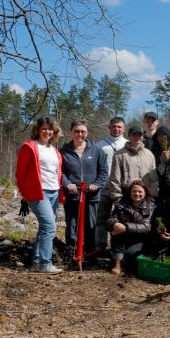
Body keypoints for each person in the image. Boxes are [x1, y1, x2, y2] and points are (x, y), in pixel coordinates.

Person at [16, 116, 64, 274]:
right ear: (37, 130)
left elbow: (57, 172)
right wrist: (24, 193)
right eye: (44, 128)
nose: (47, 132)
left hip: (54, 192)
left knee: (44, 227)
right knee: (50, 227)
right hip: (38, 192)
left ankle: (36, 260)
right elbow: (20, 173)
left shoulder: (54, 150)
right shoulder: (29, 147)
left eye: (50, 129)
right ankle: (45, 264)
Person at [60, 120, 109, 260]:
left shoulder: (96, 150)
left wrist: (97, 184)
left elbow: (104, 171)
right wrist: (68, 183)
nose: (79, 134)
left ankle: (89, 255)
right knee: (72, 226)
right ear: (71, 132)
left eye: (83, 131)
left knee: (90, 226)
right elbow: (60, 172)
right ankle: (71, 253)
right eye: (76, 131)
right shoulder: (64, 151)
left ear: (87, 133)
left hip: (91, 195)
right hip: (73, 195)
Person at [107, 180, 156, 275]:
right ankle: (117, 265)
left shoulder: (150, 206)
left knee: (130, 255)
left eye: (140, 191)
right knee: (117, 233)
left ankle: (127, 262)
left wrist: (125, 226)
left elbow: (146, 227)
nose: (137, 194)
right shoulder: (121, 203)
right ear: (129, 193)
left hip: (141, 239)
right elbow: (110, 219)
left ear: (145, 193)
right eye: (134, 191)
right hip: (124, 236)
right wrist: (114, 224)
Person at [95, 117, 126, 254]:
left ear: (123, 129)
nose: (116, 129)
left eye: (119, 127)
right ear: (109, 128)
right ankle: (100, 246)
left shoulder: (128, 144)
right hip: (104, 187)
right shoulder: (100, 145)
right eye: (114, 126)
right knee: (101, 218)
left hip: (122, 188)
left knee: (122, 219)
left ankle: (118, 248)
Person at [108, 126, 159, 205]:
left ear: (142, 137)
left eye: (139, 135)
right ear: (129, 136)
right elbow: (115, 179)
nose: (137, 137)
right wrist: (117, 198)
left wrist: (153, 196)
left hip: (145, 197)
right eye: (134, 134)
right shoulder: (119, 155)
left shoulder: (149, 154)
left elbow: (154, 179)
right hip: (125, 197)